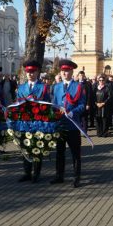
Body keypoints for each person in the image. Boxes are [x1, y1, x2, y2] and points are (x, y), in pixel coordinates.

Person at [50, 59, 86, 188]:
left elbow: (82, 105)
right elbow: (53, 104)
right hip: (60, 125)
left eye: (68, 71)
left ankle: (77, 177)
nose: (65, 73)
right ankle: (59, 176)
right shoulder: (56, 87)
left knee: (75, 153)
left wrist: (73, 112)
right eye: (63, 71)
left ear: (72, 71)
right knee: (59, 152)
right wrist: (54, 111)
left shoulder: (78, 87)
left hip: (72, 125)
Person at [17, 60, 50, 183]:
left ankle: (36, 173)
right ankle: (27, 172)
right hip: (25, 123)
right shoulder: (21, 88)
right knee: (25, 148)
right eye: (28, 72)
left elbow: (47, 105)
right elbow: (17, 105)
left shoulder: (43, 87)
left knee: (37, 147)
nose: (30, 74)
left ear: (37, 72)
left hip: (38, 123)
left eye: (33, 72)